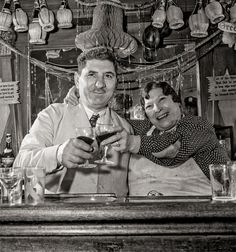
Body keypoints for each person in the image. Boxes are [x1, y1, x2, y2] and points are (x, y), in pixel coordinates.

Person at [65, 81, 229, 196]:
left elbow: (171, 149)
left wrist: (132, 143)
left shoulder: (198, 125)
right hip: (141, 219)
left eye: (162, 100)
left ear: (178, 103)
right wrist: (82, 99)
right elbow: (106, 121)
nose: (157, 109)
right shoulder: (142, 128)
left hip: (196, 216)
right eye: (149, 106)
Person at [13, 48, 133, 196]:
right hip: (61, 215)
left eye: (108, 76)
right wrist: (57, 154)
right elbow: (20, 163)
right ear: (77, 80)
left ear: (116, 82)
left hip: (111, 216)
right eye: (91, 75)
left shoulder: (125, 128)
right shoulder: (53, 115)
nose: (100, 84)